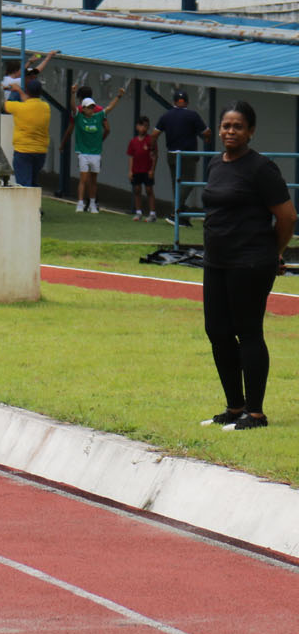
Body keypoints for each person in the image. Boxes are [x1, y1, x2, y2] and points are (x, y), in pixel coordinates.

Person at [198, 102, 296, 431]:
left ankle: (255, 414)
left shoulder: (261, 169)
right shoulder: (216, 163)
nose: (230, 131)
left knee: (248, 331)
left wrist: (274, 252)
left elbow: (287, 217)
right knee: (217, 331)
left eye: (238, 126)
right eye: (226, 125)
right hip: (216, 262)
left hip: (250, 262)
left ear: (250, 131)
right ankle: (234, 407)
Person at [59, 85, 123, 213]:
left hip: (96, 153)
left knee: (93, 180)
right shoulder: (79, 116)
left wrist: (119, 96)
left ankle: (93, 203)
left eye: (92, 107)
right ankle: (80, 203)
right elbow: (73, 107)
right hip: (83, 152)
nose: (92, 109)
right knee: (83, 179)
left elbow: (110, 107)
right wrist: (72, 93)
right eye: (89, 107)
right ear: (83, 108)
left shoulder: (98, 115)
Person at [153, 89, 211, 225]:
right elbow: (207, 132)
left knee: (177, 184)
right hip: (187, 155)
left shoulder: (166, 116)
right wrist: (207, 139)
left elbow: (154, 134)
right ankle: (175, 212)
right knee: (188, 183)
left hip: (172, 154)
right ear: (187, 102)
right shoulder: (192, 115)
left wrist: (152, 149)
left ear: (174, 101)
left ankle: (181, 215)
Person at [2, 74, 51, 188]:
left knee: (24, 185)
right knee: (33, 183)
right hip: (40, 151)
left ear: (27, 91)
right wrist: (20, 91)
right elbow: (29, 101)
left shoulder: (18, 107)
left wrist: (13, 90)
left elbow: (4, 105)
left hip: (23, 150)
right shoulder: (45, 107)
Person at [127, 116, 158, 222]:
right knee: (137, 190)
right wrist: (130, 171)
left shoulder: (150, 140)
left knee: (149, 190)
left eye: (145, 126)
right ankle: (138, 212)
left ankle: (152, 214)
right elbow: (131, 156)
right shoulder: (133, 141)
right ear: (137, 126)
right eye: (141, 126)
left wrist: (152, 170)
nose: (143, 128)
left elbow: (155, 156)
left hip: (147, 170)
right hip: (136, 170)